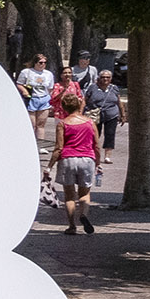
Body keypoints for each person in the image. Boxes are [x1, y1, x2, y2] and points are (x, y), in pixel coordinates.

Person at [58, 93, 104, 235]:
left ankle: (72, 226)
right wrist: (97, 162)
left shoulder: (63, 123)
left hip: (68, 159)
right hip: (87, 159)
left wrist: (50, 165)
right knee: (84, 193)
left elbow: (59, 147)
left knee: (69, 195)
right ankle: (83, 214)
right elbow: (96, 145)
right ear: (79, 105)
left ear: (64, 107)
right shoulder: (90, 123)